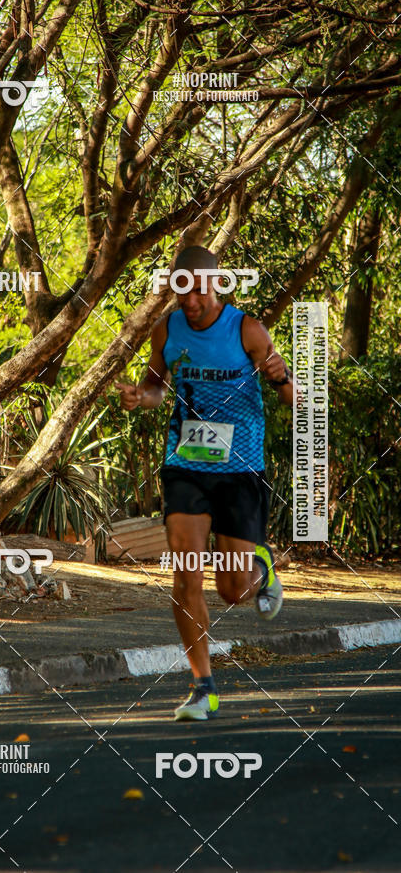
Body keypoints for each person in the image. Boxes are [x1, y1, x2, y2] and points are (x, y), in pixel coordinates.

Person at [116, 246, 293, 721]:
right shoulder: (166, 330)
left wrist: (282, 375)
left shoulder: (246, 330)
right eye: (180, 290)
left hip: (240, 470)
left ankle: (262, 564)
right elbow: (156, 387)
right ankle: (202, 687)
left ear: (215, 285)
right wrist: (142, 396)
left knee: (234, 590)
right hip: (186, 465)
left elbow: (295, 398)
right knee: (185, 573)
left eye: (197, 289)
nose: (189, 300)